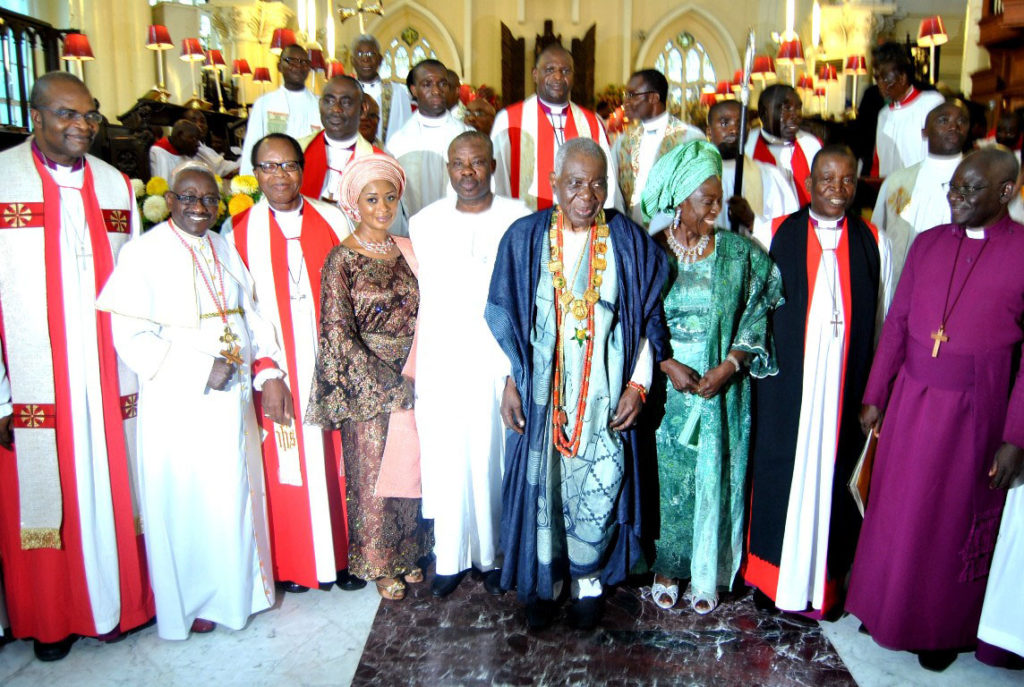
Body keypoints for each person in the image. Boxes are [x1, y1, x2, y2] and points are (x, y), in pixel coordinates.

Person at [96, 161, 290, 640]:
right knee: (191, 502)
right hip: (181, 403)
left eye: (208, 199)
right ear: (171, 200)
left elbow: (251, 312)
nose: (199, 208)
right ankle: (200, 600)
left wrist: (267, 366)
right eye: (188, 198)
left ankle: (240, 592)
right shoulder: (144, 253)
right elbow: (129, 335)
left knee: (234, 495)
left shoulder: (222, 244)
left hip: (234, 396)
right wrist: (200, 369)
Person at [847, 148, 1024, 672]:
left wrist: (1016, 436)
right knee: (895, 509)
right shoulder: (926, 244)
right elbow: (898, 321)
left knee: (945, 520)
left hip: (976, 407)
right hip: (912, 398)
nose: (956, 198)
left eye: (970, 190)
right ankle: (880, 607)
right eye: (953, 188)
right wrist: (876, 394)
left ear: (1006, 193)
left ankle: (937, 627)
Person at [485, 138, 669, 630]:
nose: (586, 195)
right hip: (542, 397)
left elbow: (647, 320)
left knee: (600, 486)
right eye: (574, 183)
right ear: (552, 184)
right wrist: (509, 382)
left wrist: (639, 384)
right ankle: (547, 582)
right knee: (542, 489)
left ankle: (589, 582)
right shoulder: (524, 238)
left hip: (604, 397)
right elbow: (507, 319)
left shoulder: (628, 242)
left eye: (597, 184)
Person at [0, 71, 153, 662]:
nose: (81, 125)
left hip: (109, 369)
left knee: (117, 482)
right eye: (67, 114)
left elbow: (135, 287)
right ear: (34, 115)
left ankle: (122, 604)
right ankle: (52, 618)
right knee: (46, 492)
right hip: (36, 378)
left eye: (89, 115)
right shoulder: (3, 180)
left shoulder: (117, 186)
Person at [744, 145, 893, 619]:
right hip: (787, 387)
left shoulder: (874, 240)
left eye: (847, 180)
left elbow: (884, 319)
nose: (837, 189)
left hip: (845, 387)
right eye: (826, 179)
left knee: (834, 483)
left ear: (858, 183)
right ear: (809, 183)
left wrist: (875, 391)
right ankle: (773, 580)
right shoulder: (774, 232)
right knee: (780, 474)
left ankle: (825, 586)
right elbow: (752, 311)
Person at [640, 140, 782, 614]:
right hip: (668, 389)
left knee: (713, 477)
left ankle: (708, 570)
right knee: (670, 481)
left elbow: (760, 306)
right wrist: (665, 363)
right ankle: (666, 566)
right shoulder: (652, 254)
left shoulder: (739, 254)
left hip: (722, 388)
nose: (716, 208)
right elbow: (637, 317)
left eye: (718, 198)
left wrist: (731, 364)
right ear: (680, 201)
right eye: (706, 200)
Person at [223, 133, 365, 594]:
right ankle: (304, 564)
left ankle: (347, 557)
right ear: (255, 172)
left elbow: (356, 285)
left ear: (302, 170)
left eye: (288, 166)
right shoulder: (239, 231)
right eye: (268, 167)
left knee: (342, 458)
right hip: (281, 364)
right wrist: (269, 373)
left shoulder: (331, 215)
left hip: (334, 360)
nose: (279, 175)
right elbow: (242, 310)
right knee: (294, 460)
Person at [306, 154, 432, 601]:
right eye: (372, 199)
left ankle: (411, 551)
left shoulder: (408, 248)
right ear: (354, 203)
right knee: (375, 476)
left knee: (411, 470)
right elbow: (337, 335)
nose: (382, 207)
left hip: (416, 372)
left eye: (390, 197)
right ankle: (379, 564)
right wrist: (389, 385)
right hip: (371, 385)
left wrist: (419, 373)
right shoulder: (340, 259)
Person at [410, 131, 530, 598]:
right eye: (458, 164)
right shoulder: (424, 222)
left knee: (492, 455)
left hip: (497, 360)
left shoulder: (518, 218)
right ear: (447, 169)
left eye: (477, 163)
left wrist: (513, 371)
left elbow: (523, 300)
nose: (467, 172)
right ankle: (450, 557)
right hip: (444, 360)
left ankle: (495, 554)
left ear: (493, 166)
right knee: (446, 458)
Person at [491, 44, 619, 211]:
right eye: (550, 70)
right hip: (526, 224)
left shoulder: (591, 122)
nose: (558, 77)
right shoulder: (508, 120)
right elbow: (496, 180)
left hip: (580, 225)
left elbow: (607, 178)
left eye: (565, 71)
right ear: (535, 74)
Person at [872, 99, 968, 283]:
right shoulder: (898, 183)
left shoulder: (981, 182)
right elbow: (878, 238)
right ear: (925, 131)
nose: (954, 126)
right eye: (943, 120)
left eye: (961, 121)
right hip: (904, 283)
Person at [386, 59, 472, 236]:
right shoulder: (398, 143)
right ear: (414, 90)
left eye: (442, 84)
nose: (436, 90)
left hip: (460, 234)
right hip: (414, 237)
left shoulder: (468, 136)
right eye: (427, 84)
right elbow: (393, 202)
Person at [612, 69, 703, 225]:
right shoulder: (623, 142)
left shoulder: (690, 138)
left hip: (674, 236)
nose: (626, 102)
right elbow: (614, 190)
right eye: (626, 95)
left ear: (654, 97)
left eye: (632, 95)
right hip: (633, 235)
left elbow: (700, 193)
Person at [706, 99, 799, 248]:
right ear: (709, 132)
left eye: (740, 124)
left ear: (748, 131)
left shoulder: (770, 177)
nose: (734, 130)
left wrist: (752, 221)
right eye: (724, 123)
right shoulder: (693, 180)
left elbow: (788, 233)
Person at [239, 44, 322, 175]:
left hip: (310, 176)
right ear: (279, 66)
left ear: (309, 68)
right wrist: (248, 185)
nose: (298, 66)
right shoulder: (264, 103)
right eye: (291, 60)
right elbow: (252, 145)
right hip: (274, 176)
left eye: (303, 62)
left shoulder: (320, 105)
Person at [299, 75, 383, 203]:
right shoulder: (298, 150)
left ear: (362, 109)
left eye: (346, 102)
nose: (336, 109)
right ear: (320, 104)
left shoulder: (379, 163)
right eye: (329, 101)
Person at [871, 42, 945, 179]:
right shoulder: (883, 115)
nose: (880, 85)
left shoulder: (930, 104)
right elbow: (878, 161)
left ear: (903, 77)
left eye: (885, 78)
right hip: (890, 193)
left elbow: (942, 153)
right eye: (877, 79)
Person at [744, 84, 822, 207]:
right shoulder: (746, 147)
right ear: (763, 113)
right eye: (786, 108)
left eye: (798, 108)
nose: (795, 114)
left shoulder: (812, 145)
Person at [350, 34, 413, 144]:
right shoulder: (345, 93)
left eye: (371, 54)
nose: (366, 59)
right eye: (360, 54)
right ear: (352, 60)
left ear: (380, 59)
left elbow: (407, 132)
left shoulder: (397, 93)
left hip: (390, 156)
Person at [182, 108, 240, 178]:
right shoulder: (181, 147)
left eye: (202, 121)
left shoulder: (206, 149)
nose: (199, 124)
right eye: (193, 121)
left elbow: (223, 167)